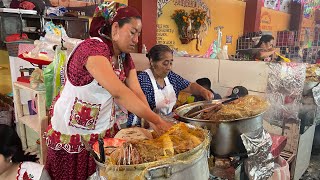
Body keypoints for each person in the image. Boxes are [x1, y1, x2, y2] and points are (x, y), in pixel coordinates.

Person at [45, 2, 172, 180]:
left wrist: (151, 122)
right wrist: (156, 120)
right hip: (73, 132)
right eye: (133, 32)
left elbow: (136, 92)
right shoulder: (92, 49)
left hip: (102, 129)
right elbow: (119, 92)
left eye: (139, 34)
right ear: (115, 29)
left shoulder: (124, 58)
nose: (136, 40)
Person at [127, 44, 213, 127]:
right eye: (165, 63)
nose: (169, 67)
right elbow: (142, 111)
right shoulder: (144, 79)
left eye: (171, 63)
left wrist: (203, 91)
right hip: (147, 125)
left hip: (168, 121)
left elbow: (190, 86)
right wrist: (158, 122)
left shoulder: (170, 76)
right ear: (152, 62)